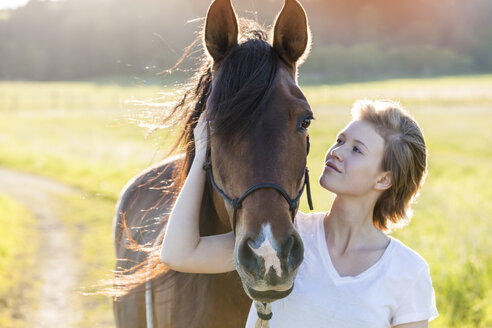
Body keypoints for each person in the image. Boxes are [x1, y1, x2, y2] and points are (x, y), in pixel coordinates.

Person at [160, 99, 438, 328]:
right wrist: (200, 157)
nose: (337, 152)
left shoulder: (407, 272)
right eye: (340, 140)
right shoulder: (285, 237)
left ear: (383, 180)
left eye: (356, 149)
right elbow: (178, 254)